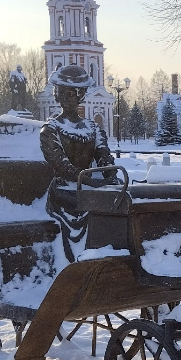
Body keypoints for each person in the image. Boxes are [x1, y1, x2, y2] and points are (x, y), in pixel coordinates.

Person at [40, 64, 116, 262]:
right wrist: (87, 181)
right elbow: (61, 165)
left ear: (81, 95)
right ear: (56, 95)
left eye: (72, 93)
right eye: (62, 93)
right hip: (64, 192)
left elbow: (103, 155)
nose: (67, 98)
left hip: (88, 188)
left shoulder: (93, 128)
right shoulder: (51, 129)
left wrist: (111, 175)